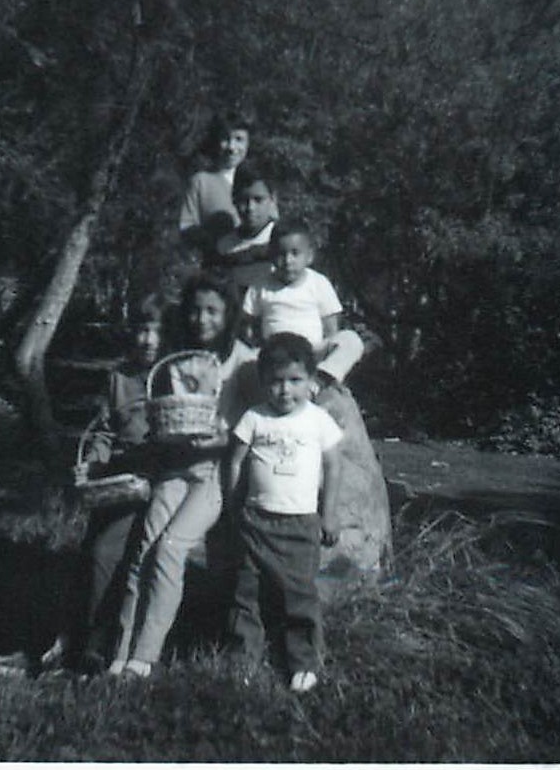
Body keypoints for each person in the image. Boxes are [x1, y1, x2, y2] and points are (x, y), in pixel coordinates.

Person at [110, 271, 261, 679]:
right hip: (177, 465)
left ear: (228, 314)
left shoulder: (243, 361)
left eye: (213, 311)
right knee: (144, 550)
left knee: (171, 547)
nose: (202, 319)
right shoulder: (178, 359)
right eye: (195, 310)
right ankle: (120, 650)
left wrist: (225, 438)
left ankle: (145, 655)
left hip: (216, 471)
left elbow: (258, 421)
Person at [42, 293, 170, 674]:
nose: (148, 340)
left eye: (157, 331)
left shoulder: (172, 376)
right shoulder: (119, 378)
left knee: (105, 552)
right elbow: (105, 430)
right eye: (142, 330)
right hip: (120, 474)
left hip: (157, 476)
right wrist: (93, 461)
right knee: (90, 548)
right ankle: (74, 633)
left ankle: (98, 641)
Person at [226, 332, 343, 693]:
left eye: (295, 380)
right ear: (264, 382)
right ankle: (244, 656)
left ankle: (303, 662)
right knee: (246, 592)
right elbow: (235, 462)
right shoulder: (254, 418)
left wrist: (329, 513)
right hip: (256, 519)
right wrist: (233, 502)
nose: (285, 390)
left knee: (298, 593)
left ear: (311, 381)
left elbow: (333, 467)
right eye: (276, 381)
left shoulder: (318, 420)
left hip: (300, 522)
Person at [242, 219, 364, 387]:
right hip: (274, 353)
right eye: (281, 254)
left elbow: (331, 328)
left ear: (309, 256)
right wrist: (258, 345)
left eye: (295, 253)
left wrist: (328, 350)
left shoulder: (318, 283)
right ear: (271, 255)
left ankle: (321, 379)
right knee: (244, 359)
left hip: (312, 351)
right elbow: (249, 325)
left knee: (351, 339)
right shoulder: (260, 285)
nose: (288, 261)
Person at [179, 116, 251, 261]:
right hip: (218, 264)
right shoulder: (201, 181)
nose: (231, 147)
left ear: (248, 143)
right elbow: (186, 227)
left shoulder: (257, 182)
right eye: (225, 139)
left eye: (239, 139)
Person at [209, 162, 279, 291]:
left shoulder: (282, 240)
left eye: (258, 200)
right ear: (234, 200)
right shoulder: (224, 247)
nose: (250, 208)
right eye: (243, 200)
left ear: (273, 199)